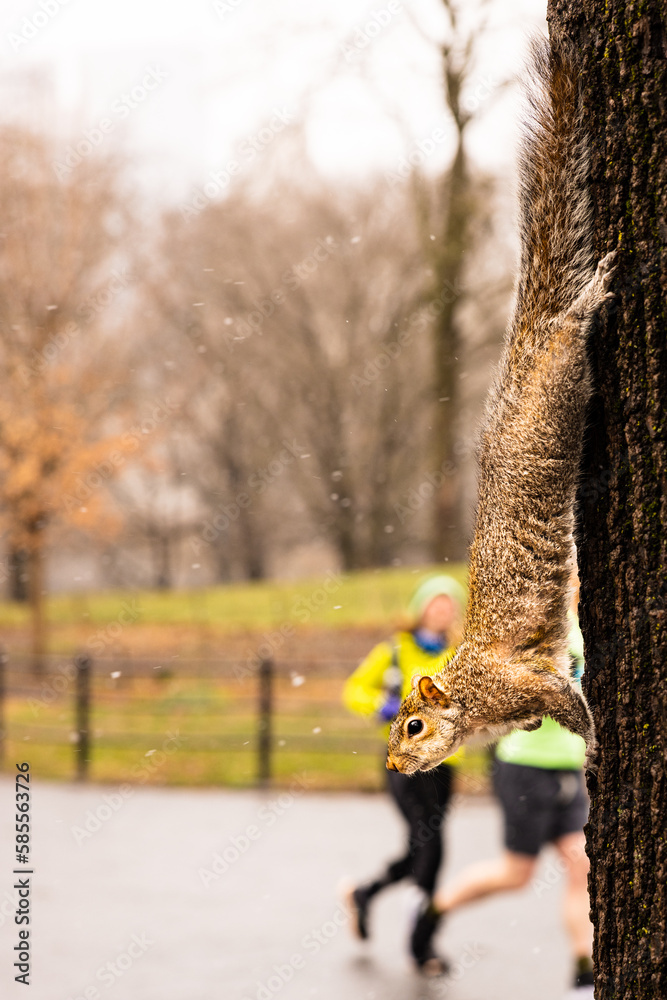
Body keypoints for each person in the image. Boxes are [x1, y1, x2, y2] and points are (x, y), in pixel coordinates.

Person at [430, 611, 595, 999]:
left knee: (580, 864)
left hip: (568, 768)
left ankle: (583, 973)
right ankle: (430, 912)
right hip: (525, 767)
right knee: (517, 874)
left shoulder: (587, 620)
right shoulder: (532, 622)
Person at [342, 574, 466, 975]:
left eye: (449, 604)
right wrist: (381, 704)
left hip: (445, 765)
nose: (442, 610)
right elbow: (354, 690)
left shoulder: (459, 654)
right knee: (430, 847)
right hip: (404, 762)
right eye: (436, 602)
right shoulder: (395, 650)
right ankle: (421, 947)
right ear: (421, 607)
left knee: (423, 848)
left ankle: (366, 892)